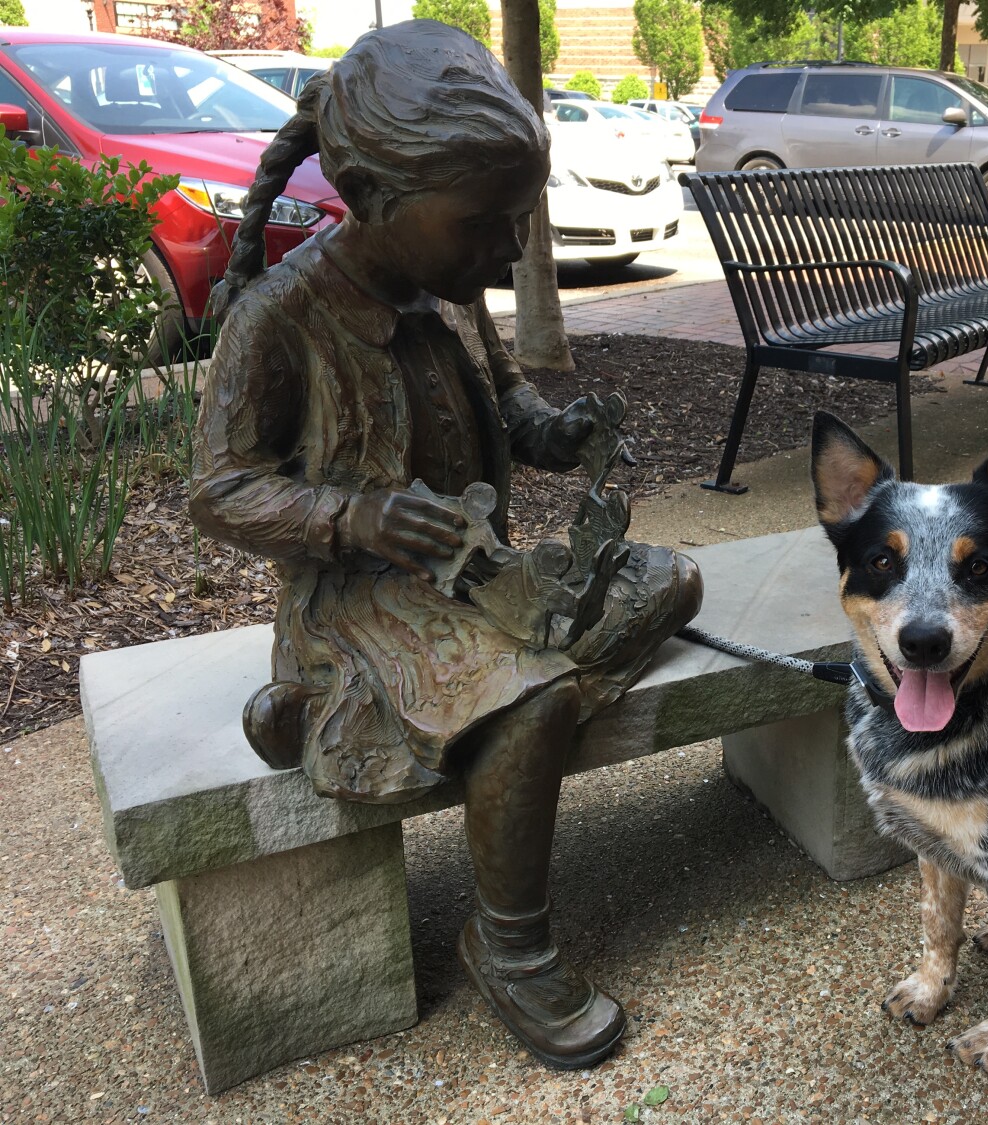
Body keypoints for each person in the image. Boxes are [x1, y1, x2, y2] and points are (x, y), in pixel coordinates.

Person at [189, 21, 702, 1070]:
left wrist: (558, 433)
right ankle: (508, 944)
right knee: (535, 701)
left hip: (478, 580)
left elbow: (503, 406)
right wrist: (355, 516)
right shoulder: (279, 319)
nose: (507, 250)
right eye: (485, 225)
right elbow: (220, 490)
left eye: (518, 221)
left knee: (674, 581)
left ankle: (367, 715)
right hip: (360, 600)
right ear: (375, 200)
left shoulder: (448, 292)